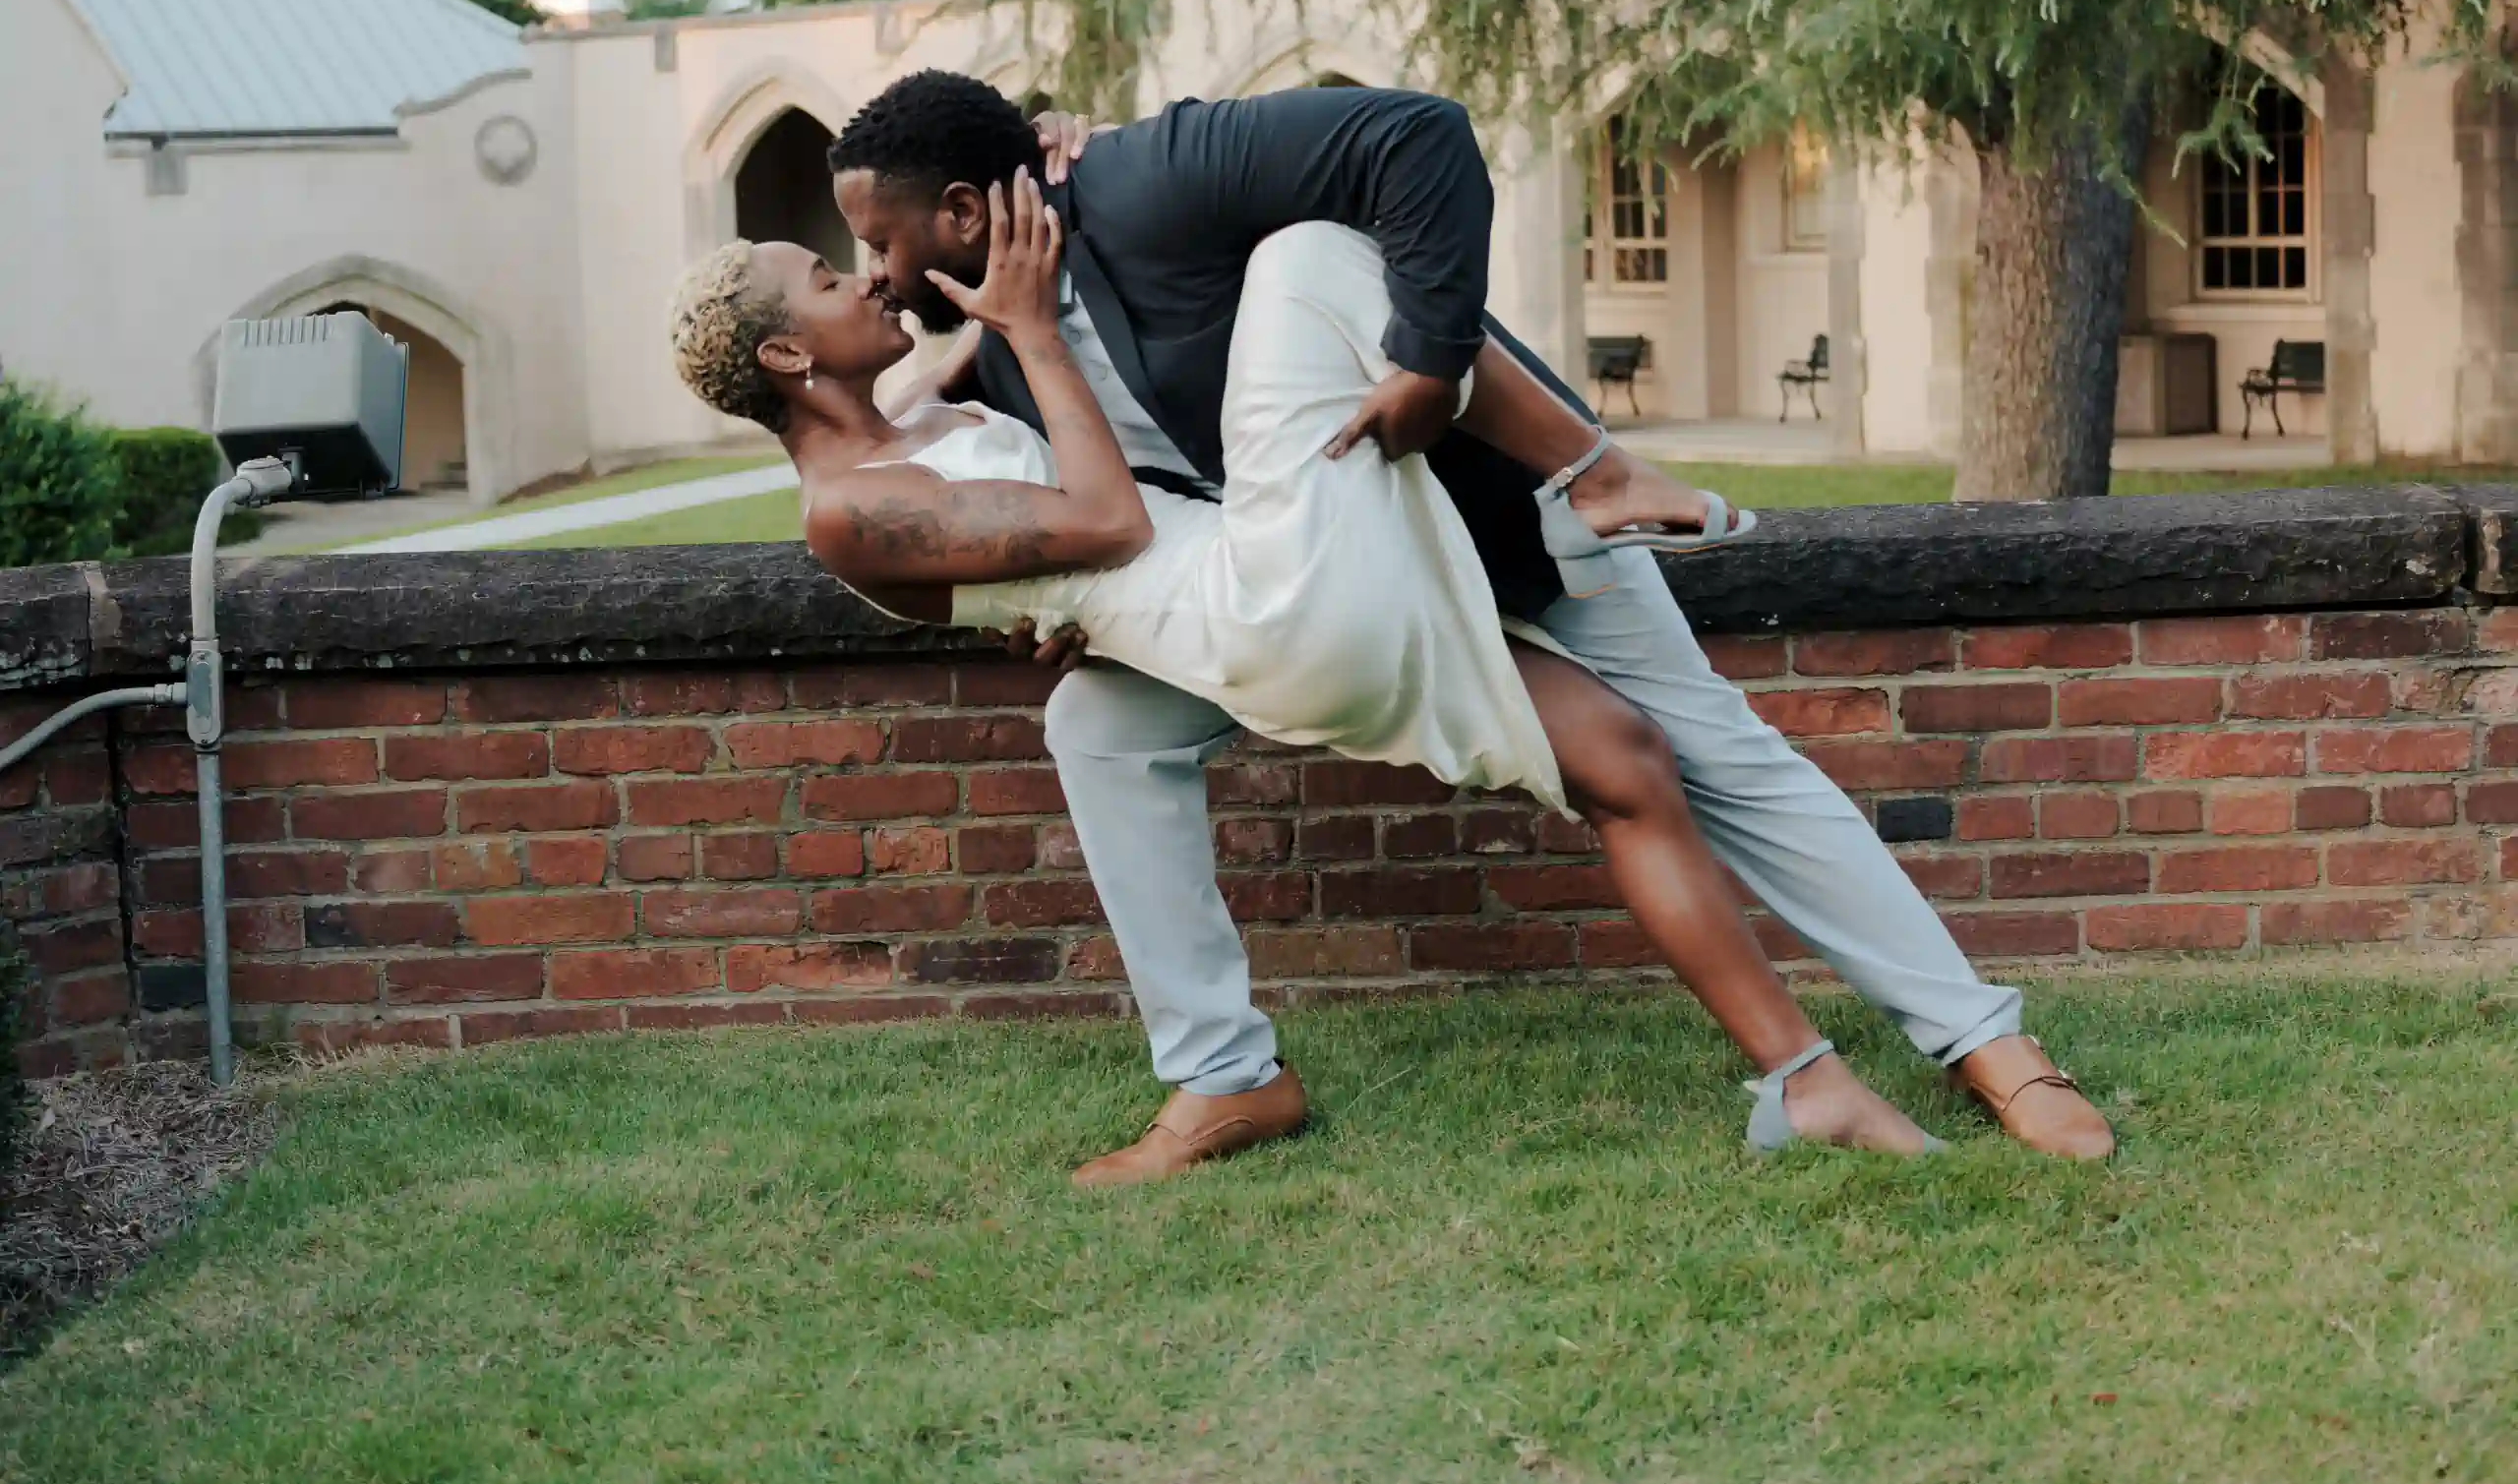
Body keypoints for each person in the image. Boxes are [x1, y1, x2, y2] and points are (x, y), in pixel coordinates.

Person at [818, 73, 2115, 1174]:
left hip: (1497, 518)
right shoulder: (997, 360)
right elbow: (1101, 523)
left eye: (878, 243)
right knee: (1097, 722)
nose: (879, 276)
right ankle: (1218, 1073)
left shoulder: (1154, 177)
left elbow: (1417, 136)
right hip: (1322, 583)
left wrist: (1432, 367)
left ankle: (1991, 1046)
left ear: (967, 210)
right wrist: (1063, 617)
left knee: (1719, 755)